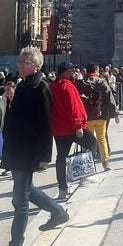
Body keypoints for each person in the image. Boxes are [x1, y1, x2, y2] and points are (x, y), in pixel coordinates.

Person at [0, 47, 70, 246]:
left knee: (19, 200)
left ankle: (16, 245)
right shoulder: (22, 86)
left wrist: (45, 155)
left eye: (24, 61)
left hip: (28, 151)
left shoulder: (41, 88)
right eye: (19, 60)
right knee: (27, 190)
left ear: (36, 66)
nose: (19, 64)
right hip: (17, 149)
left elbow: (47, 124)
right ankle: (58, 212)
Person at [52, 61, 90, 200]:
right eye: (72, 70)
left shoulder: (53, 86)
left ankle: (62, 188)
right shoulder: (68, 87)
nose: (75, 72)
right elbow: (73, 108)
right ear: (65, 72)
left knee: (61, 157)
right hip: (71, 127)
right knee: (92, 143)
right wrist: (78, 125)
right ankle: (83, 175)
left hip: (58, 129)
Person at [80, 63, 118, 170]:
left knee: (88, 140)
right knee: (102, 138)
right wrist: (115, 113)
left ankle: (88, 163)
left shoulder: (81, 83)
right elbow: (110, 98)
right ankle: (105, 162)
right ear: (96, 70)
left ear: (86, 71)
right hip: (101, 115)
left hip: (87, 116)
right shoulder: (101, 82)